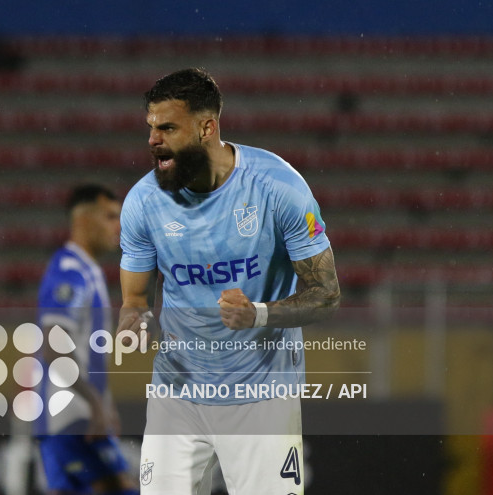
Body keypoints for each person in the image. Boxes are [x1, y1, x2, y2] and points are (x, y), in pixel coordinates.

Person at [116, 68, 341, 494]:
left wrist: (256, 314)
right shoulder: (144, 203)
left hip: (263, 398)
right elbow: (134, 298)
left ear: (207, 127)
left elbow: (327, 295)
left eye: (167, 127)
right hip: (177, 394)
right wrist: (137, 320)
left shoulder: (277, 188)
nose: (152, 141)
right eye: (150, 128)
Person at [34, 184, 139, 495]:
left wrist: (103, 404)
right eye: (109, 216)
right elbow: (55, 343)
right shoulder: (70, 271)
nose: (118, 226)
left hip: (79, 416)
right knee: (119, 487)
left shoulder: (87, 271)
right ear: (82, 220)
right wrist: (95, 403)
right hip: (70, 418)